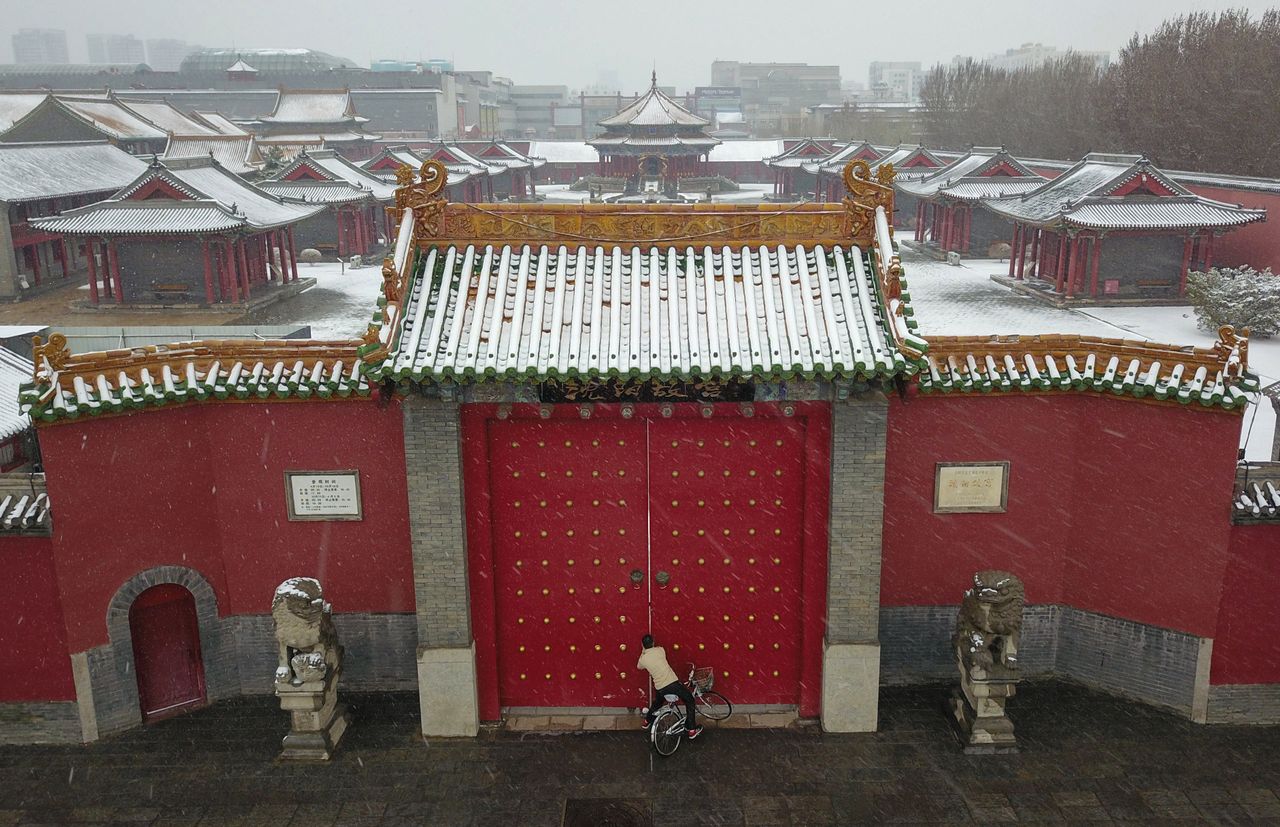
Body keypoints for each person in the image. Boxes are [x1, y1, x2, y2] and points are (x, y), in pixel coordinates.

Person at [637, 633, 702, 739]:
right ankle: (691, 729)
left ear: (643, 645)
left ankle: (646, 721)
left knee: (657, 703)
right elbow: (657, 651)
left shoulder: (643, 659)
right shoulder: (660, 650)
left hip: (660, 687)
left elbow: (639, 666)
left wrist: (643, 650)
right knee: (689, 699)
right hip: (672, 683)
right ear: (653, 642)